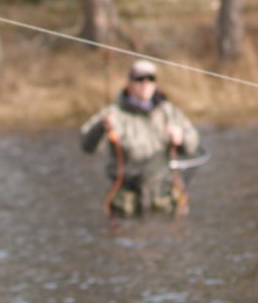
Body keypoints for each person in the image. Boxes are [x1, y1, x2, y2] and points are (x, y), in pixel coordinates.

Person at [80, 59, 202, 216]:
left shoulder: (169, 112)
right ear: (129, 83)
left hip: (164, 199)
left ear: (155, 83)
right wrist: (101, 128)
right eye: (139, 79)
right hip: (126, 203)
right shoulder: (114, 113)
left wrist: (181, 137)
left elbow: (193, 144)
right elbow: (86, 146)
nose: (145, 83)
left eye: (150, 78)